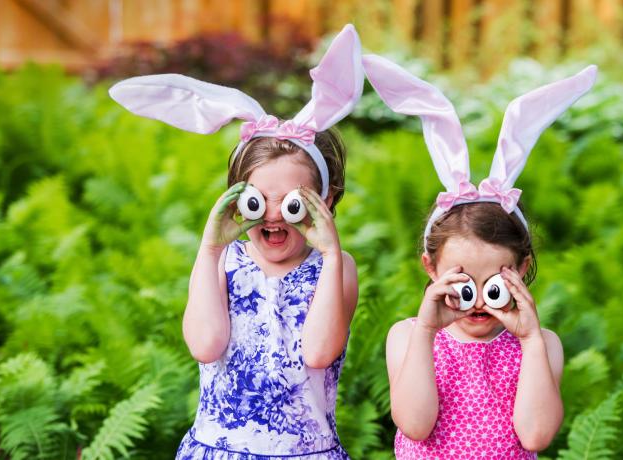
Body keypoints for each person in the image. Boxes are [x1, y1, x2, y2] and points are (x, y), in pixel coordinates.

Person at [109, 25, 363, 459]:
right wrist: (209, 250)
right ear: (236, 200)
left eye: (294, 203)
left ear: (326, 200)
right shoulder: (221, 261)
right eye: (256, 200)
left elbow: (319, 353)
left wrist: (332, 253)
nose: (273, 214)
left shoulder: (335, 268)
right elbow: (205, 346)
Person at [363, 55, 597, 458]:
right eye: (460, 282)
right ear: (431, 268)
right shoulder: (409, 336)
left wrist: (530, 341)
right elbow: (415, 425)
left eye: (494, 284)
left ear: (522, 270)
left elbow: (536, 437)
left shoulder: (541, 346)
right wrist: (425, 330)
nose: (478, 299)